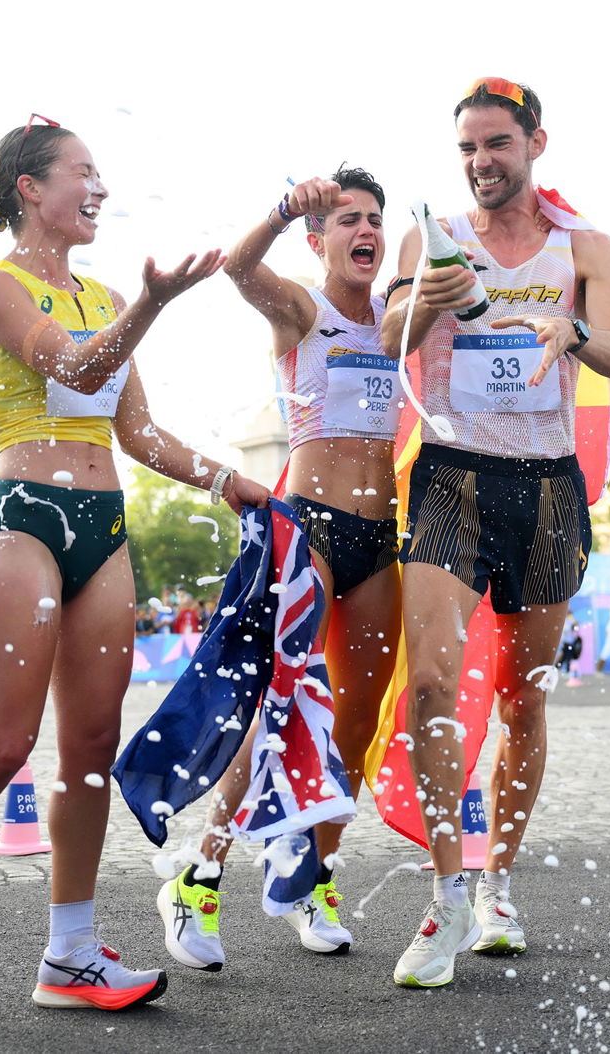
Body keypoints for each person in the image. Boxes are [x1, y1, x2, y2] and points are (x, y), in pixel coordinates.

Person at [0, 115, 268, 1015]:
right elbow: (78, 370)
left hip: (105, 525)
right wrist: (154, 303)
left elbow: (136, 432)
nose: (99, 188)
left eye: (102, 174)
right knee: (5, 744)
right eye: (82, 173)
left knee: (90, 748)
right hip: (25, 525)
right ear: (30, 189)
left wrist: (233, 480)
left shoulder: (97, 296)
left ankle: (72, 956)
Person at [380, 78, 610, 988]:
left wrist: (566, 329)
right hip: (452, 473)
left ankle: (499, 884)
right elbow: (386, 343)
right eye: (466, 149)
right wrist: (424, 300)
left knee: (525, 701)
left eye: (496, 144)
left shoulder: (585, 246)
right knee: (434, 682)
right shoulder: (432, 239)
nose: (481, 163)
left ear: (535, 144)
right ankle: (446, 896)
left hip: (549, 487)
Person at [154, 167, 401, 972]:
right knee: (279, 710)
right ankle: (200, 876)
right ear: (319, 239)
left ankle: (314, 879)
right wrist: (283, 205)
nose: (362, 230)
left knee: (356, 725)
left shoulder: (400, 320)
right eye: (346, 221)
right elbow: (235, 269)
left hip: (380, 538)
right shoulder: (303, 307)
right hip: (311, 530)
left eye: (373, 219)